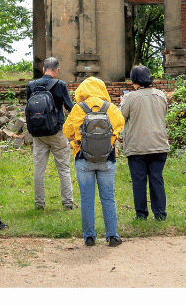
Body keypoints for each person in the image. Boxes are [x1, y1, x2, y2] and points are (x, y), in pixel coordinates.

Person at [62, 76, 125, 247]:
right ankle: (112, 236)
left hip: (83, 159)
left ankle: (89, 237)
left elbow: (66, 131)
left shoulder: (78, 108)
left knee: (87, 199)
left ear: (82, 90)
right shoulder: (110, 108)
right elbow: (120, 125)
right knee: (108, 198)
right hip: (107, 159)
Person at [120, 65, 170, 221]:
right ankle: (160, 213)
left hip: (137, 146)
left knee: (139, 181)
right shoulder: (161, 95)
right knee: (157, 179)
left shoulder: (130, 98)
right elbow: (164, 113)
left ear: (134, 81)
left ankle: (141, 214)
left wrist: (122, 102)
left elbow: (121, 117)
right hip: (159, 144)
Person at [26, 57, 75, 211]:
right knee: (63, 169)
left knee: (39, 170)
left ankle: (39, 204)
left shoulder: (32, 85)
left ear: (43, 70)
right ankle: (68, 203)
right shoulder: (60, 85)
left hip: (38, 134)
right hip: (56, 133)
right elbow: (70, 107)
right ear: (57, 70)